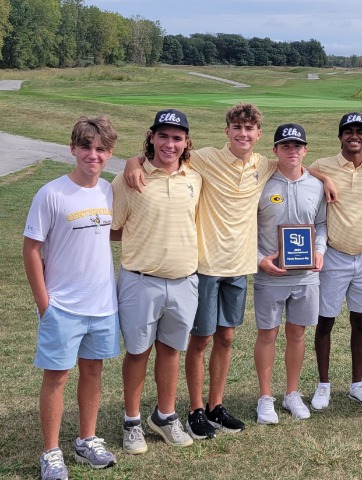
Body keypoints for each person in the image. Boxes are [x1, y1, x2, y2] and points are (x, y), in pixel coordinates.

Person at [123, 103, 276, 434]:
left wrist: (321, 175)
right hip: (205, 265)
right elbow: (163, 156)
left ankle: (215, 406)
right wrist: (131, 161)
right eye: (237, 127)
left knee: (227, 336)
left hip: (239, 265)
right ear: (227, 131)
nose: (243, 134)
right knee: (201, 339)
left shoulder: (264, 165)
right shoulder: (203, 158)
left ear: (258, 134)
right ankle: (194, 410)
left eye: (249, 129)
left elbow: (296, 164)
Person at [24, 116, 119, 480]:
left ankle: (87, 439)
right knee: (57, 377)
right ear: (73, 149)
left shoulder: (108, 191)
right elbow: (31, 249)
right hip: (62, 305)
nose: (92, 155)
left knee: (93, 371)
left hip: (102, 304)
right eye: (85, 147)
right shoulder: (52, 193)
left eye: (100, 149)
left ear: (110, 154)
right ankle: (50, 451)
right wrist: (44, 303)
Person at [111, 109, 202, 453]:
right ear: (151, 137)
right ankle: (132, 421)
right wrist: (133, 163)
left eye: (177, 138)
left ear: (186, 142)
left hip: (183, 280)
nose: (169, 143)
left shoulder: (195, 178)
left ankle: (164, 415)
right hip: (140, 280)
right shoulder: (129, 179)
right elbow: (113, 228)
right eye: (163, 136)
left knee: (170, 351)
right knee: (137, 352)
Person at [308, 112, 362, 409]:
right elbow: (297, 168)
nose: (355, 136)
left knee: (360, 320)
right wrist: (324, 177)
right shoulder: (323, 165)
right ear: (340, 136)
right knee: (325, 321)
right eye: (349, 131)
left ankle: (357, 383)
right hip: (335, 255)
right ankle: (323, 385)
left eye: (360, 132)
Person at [253, 124, 327, 424]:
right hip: (270, 274)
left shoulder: (317, 185)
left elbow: (321, 224)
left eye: (297, 146)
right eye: (285, 146)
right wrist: (260, 260)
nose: (292, 150)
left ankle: (292, 393)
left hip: (306, 276)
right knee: (268, 334)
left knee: (297, 335)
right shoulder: (262, 183)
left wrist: (319, 250)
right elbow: (247, 228)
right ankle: (265, 397)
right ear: (275, 150)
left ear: (305, 150)